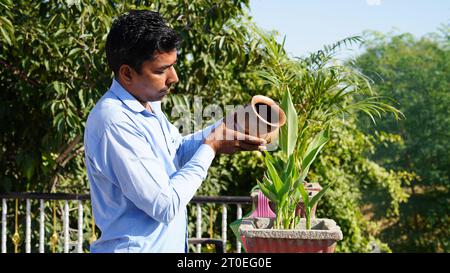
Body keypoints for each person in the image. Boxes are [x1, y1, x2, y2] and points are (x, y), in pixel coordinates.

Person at [83, 10, 266, 253]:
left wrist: (223, 128)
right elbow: (165, 205)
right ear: (126, 73)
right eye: (161, 71)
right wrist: (210, 147)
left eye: (173, 66)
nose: (174, 78)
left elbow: (175, 152)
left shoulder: (148, 105)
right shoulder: (114, 121)